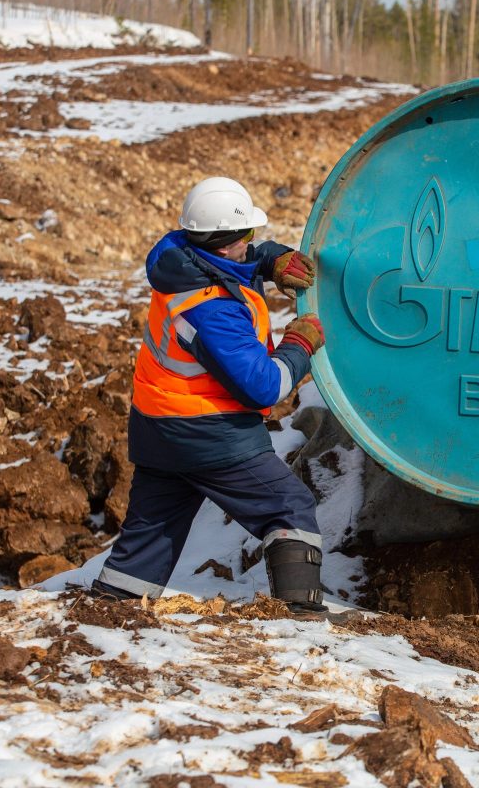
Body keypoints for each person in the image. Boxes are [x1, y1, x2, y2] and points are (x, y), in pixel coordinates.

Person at [92, 176, 330, 614]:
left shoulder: (178, 257)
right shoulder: (212, 311)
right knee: (289, 506)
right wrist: (300, 345)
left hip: (157, 426)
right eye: (247, 237)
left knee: (151, 536)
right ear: (224, 244)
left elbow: (236, 264)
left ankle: (108, 611)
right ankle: (298, 619)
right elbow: (265, 386)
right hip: (209, 434)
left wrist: (272, 259)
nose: (250, 244)